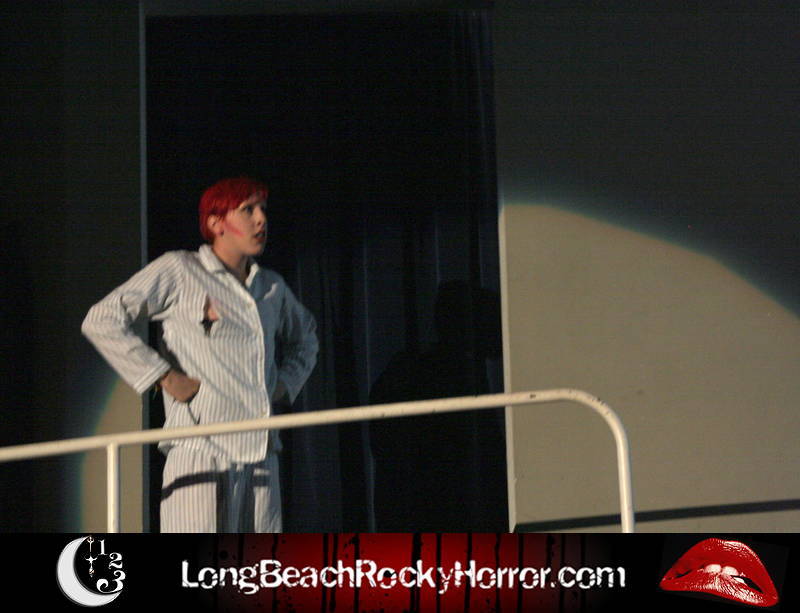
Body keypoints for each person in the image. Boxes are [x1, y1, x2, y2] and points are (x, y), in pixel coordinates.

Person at [82, 177, 318, 532]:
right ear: (216, 222)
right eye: (247, 210)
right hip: (200, 449)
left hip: (260, 453)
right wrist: (162, 375)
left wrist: (284, 384)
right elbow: (102, 319)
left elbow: (306, 338)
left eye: (263, 209)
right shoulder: (181, 269)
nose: (261, 220)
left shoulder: (270, 286)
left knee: (261, 565)